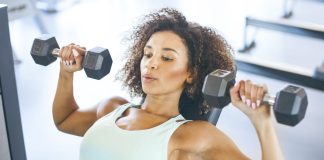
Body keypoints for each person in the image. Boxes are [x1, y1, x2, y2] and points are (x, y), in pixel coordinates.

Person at [53, 8, 284, 160]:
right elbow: (65, 120)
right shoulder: (112, 109)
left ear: (191, 74)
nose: (151, 64)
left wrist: (263, 123)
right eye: (148, 54)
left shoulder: (192, 135)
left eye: (167, 58)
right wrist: (66, 71)